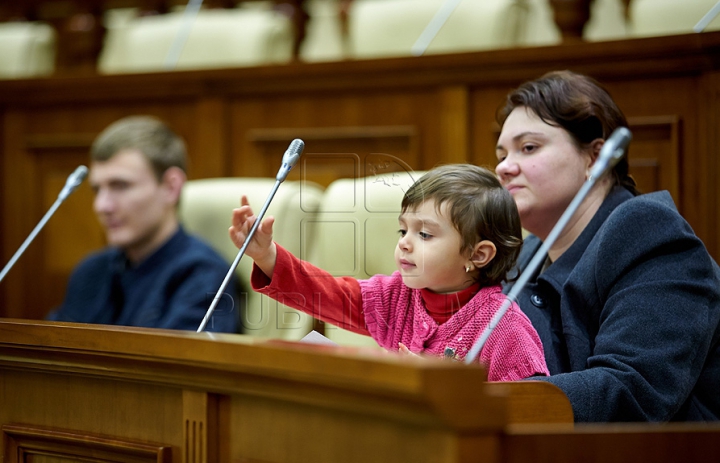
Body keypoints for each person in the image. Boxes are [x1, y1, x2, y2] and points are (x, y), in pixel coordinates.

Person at [495, 70, 720, 421]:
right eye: (501, 153)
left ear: (594, 158)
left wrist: (490, 399)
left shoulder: (647, 233)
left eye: (528, 148)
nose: (504, 167)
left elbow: (631, 389)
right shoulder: (526, 254)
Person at [229, 164, 549, 381]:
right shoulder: (396, 297)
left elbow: (528, 413)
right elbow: (328, 292)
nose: (405, 244)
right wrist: (267, 255)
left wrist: (444, 387)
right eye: (402, 231)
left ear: (478, 254)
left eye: (424, 234)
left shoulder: (505, 329)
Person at [47, 115, 238, 332]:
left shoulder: (202, 276)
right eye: (97, 189)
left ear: (170, 187)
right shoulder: (90, 271)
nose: (102, 206)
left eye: (120, 186)